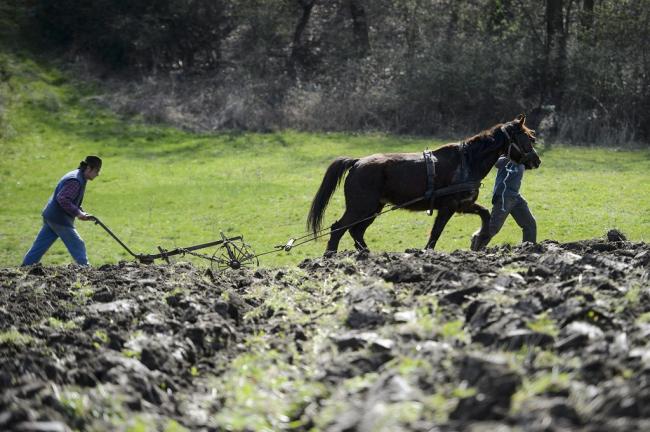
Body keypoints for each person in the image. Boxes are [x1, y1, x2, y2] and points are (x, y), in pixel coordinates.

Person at [22, 156, 102, 266]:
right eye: (97, 170)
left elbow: (70, 198)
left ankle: (25, 267)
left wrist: (80, 210)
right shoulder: (75, 180)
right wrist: (78, 213)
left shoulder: (77, 176)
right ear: (89, 168)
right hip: (59, 219)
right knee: (77, 244)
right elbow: (63, 199)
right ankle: (86, 270)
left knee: (39, 246)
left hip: (51, 216)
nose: (98, 174)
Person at [471, 156, 536, 250]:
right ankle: (476, 248)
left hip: (515, 196)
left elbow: (533, 164)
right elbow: (496, 163)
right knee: (493, 227)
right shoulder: (505, 158)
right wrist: (510, 157)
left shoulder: (523, 157)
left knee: (530, 224)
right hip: (504, 197)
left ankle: (529, 250)